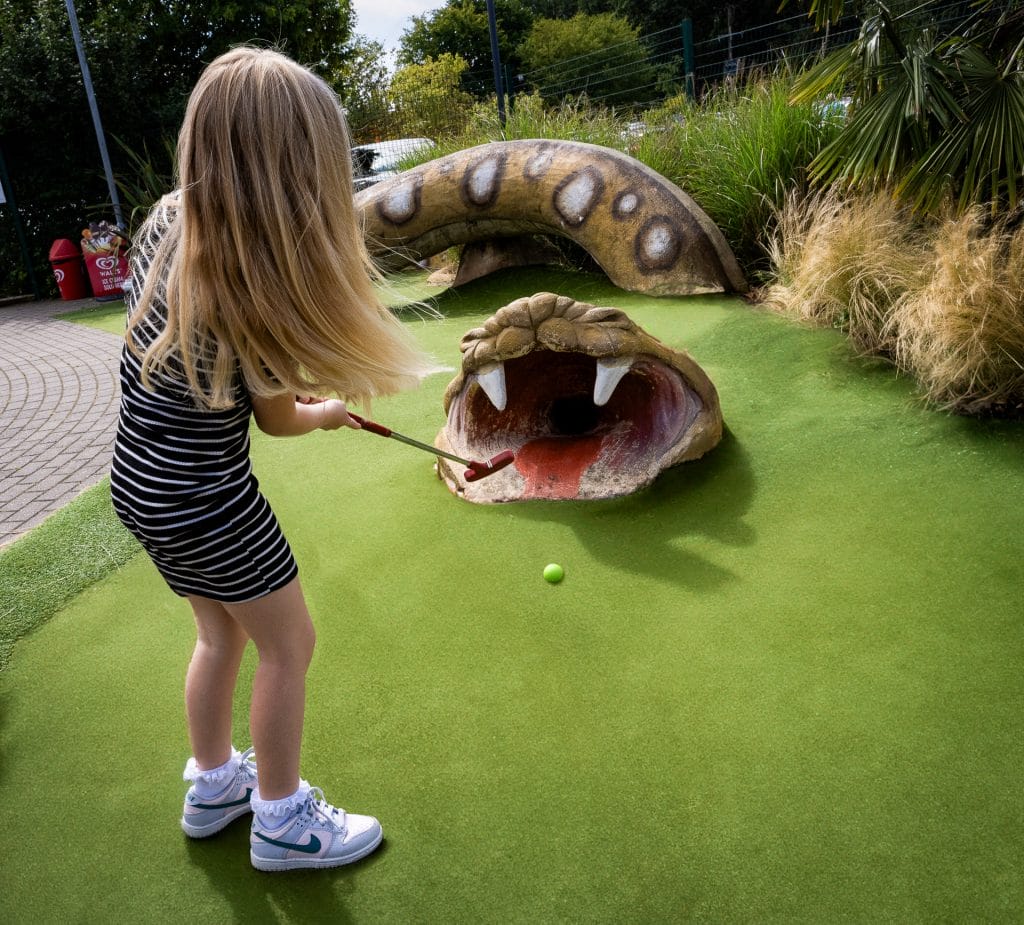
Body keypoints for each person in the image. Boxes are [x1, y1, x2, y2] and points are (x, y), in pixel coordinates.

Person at [109, 47, 430, 872]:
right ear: (296, 168)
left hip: (141, 489)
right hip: (211, 503)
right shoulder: (247, 275)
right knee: (289, 644)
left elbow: (220, 376)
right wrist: (325, 412)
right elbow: (280, 421)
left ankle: (214, 783)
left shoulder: (166, 223)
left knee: (217, 633)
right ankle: (283, 821)